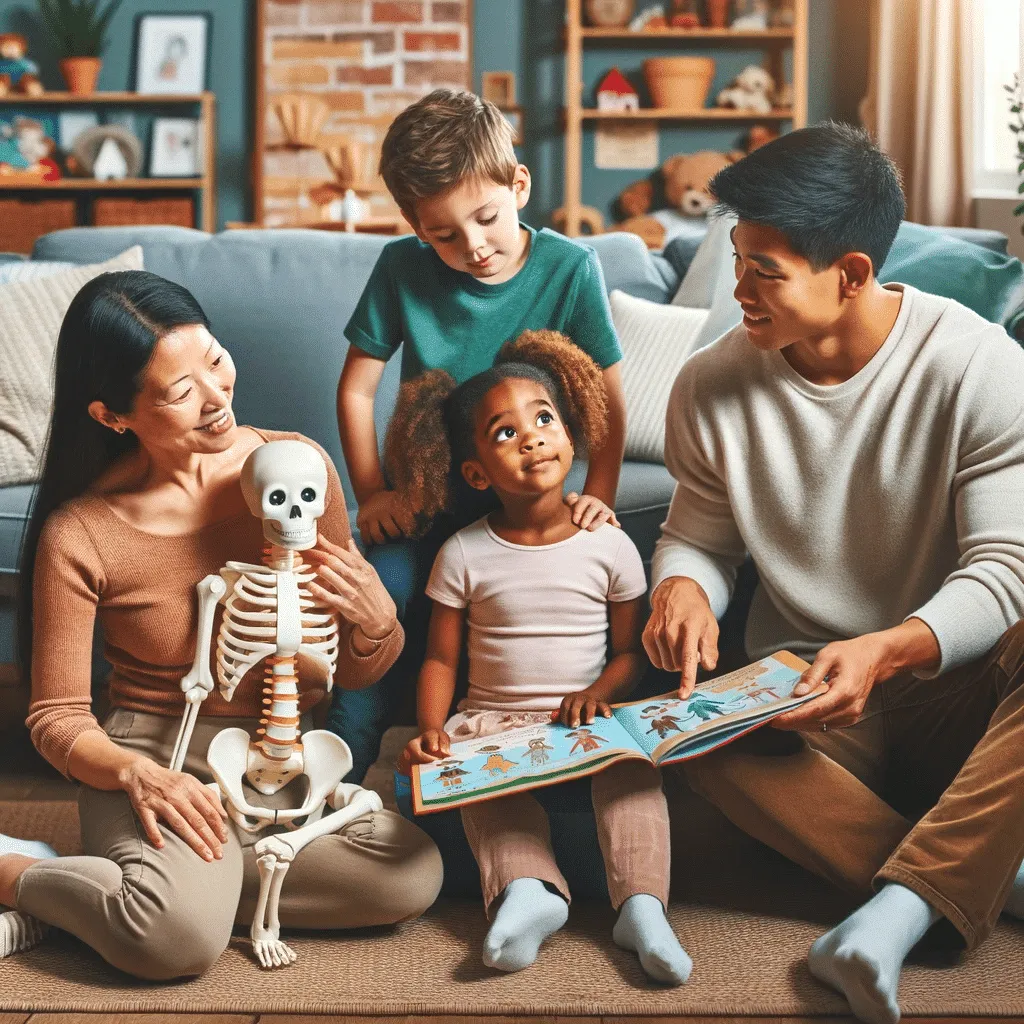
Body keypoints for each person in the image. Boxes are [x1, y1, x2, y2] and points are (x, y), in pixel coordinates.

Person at [641, 122, 1024, 1024]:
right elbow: (698, 534)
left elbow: (1007, 572)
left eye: (764, 270)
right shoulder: (709, 385)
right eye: (736, 258)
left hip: (947, 682)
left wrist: (889, 651)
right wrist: (684, 587)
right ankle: (975, 874)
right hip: (805, 691)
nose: (738, 291)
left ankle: (893, 914)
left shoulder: (979, 369)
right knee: (690, 735)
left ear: (849, 273)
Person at [0, 271, 442, 978]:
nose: (217, 399)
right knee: (172, 945)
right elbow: (57, 718)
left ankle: (172, 886)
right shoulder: (80, 532)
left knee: (411, 873)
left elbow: (350, 669)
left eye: (214, 359)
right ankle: (21, 873)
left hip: (279, 766)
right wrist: (137, 775)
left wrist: (377, 621)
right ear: (114, 415)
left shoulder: (295, 469)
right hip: (159, 761)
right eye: (180, 392)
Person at [332, 87, 627, 783]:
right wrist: (372, 495)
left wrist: (600, 496)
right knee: (373, 599)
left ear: (518, 184)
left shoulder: (570, 268)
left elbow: (608, 396)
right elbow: (355, 387)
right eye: (443, 235)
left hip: (531, 504)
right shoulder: (401, 269)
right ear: (413, 227)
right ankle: (338, 770)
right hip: (427, 499)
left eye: (487, 218)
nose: (473, 247)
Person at [396, 330, 690, 984]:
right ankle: (529, 894)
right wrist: (432, 731)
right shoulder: (464, 553)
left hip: (585, 723)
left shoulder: (606, 543)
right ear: (476, 473)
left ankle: (641, 906)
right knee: (485, 785)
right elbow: (440, 661)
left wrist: (602, 692)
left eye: (543, 419)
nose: (530, 437)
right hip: (496, 721)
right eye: (504, 433)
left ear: (569, 436)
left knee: (634, 768)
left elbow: (628, 652)